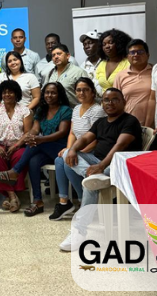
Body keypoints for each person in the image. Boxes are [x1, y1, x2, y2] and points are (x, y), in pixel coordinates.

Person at [59, 88, 142, 251]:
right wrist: (74, 149)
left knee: (91, 184)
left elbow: (120, 146)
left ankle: (79, 231)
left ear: (123, 102)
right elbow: (85, 139)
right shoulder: (101, 122)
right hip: (99, 163)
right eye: (106, 100)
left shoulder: (130, 121)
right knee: (67, 154)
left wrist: (101, 166)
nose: (110, 103)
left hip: (120, 165)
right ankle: (94, 178)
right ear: (102, 102)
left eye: (114, 99)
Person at [0, 82, 72, 216]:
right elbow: (35, 129)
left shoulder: (65, 110)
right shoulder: (42, 110)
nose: (49, 95)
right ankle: (37, 201)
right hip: (44, 149)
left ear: (59, 95)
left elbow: (62, 132)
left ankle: (15, 171)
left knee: (37, 143)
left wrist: (39, 139)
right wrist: (30, 137)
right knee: (33, 161)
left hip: (61, 149)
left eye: (53, 93)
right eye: (47, 92)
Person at [50, 78, 105, 221]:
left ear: (93, 92)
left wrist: (76, 152)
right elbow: (72, 133)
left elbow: (96, 138)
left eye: (85, 90)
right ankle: (65, 201)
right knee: (60, 160)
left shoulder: (97, 110)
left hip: (92, 151)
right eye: (78, 90)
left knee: (68, 162)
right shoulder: (76, 109)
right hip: (78, 148)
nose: (81, 93)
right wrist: (70, 149)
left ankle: (83, 198)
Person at [0, 80, 33, 213]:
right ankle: (12, 195)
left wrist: (17, 145)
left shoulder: (25, 111)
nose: (7, 94)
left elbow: (27, 132)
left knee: (20, 157)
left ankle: (9, 196)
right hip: (0, 145)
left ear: (16, 94)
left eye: (10, 92)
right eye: (4, 92)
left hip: (19, 145)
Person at [113, 39, 153, 126]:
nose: (136, 55)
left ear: (148, 55)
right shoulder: (120, 76)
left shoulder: (156, 72)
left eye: (140, 52)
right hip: (128, 125)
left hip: (155, 124)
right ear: (127, 57)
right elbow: (115, 101)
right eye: (132, 52)